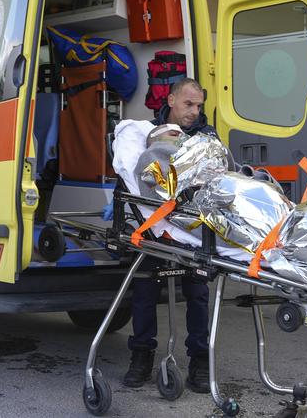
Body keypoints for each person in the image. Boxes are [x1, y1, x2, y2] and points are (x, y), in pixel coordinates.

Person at [107, 78, 215, 393]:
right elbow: (135, 174)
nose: (194, 112)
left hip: (192, 227)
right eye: (188, 104)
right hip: (155, 226)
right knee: (144, 290)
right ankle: (141, 356)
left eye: (198, 106)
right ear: (170, 100)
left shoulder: (206, 137)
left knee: (198, 292)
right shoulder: (151, 134)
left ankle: (200, 360)